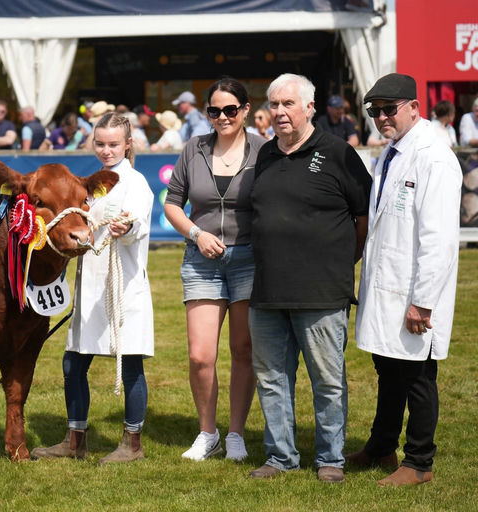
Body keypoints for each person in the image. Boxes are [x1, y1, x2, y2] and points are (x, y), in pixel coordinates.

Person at [247, 73, 371, 483]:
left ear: (309, 107)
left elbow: (364, 216)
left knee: (327, 381)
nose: (279, 112)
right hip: (267, 291)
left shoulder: (338, 153)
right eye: (274, 105)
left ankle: (330, 458)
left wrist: (342, 261)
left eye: (288, 104)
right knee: (271, 378)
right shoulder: (264, 154)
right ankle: (280, 456)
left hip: (320, 291)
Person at [349, 73, 461, 487]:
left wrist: (424, 301)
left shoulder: (433, 157)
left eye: (389, 109)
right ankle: (381, 446)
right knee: (388, 369)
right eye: (374, 111)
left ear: (415, 107)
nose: (381, 118)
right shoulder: (393, 152)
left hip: (415, 291)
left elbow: (440, 239)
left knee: (418, 376)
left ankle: (419, 462)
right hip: (387, 284)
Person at [31, 112, 154, 464]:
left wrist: (125, 228)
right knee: (73, 365)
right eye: (100, 143)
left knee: (130, 364)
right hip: (90, 288)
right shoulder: (89, 185)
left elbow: (139, 224)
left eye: (113, 144)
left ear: (128, 144)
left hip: (123, 287)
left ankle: (132, 443)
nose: (106, 150)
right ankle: (75, 440)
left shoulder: (136, 183)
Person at [164, 77, 266, 462]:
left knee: (243, 350)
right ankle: (208, 432)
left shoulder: (264, 149)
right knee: (200, 356)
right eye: (214, 110)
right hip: (201, 261)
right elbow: (172, 203)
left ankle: (236, 433)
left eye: (229, 110)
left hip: (249, 259)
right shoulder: (194, 147)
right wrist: (195, 233)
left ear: (245, 110)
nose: (222, 117)